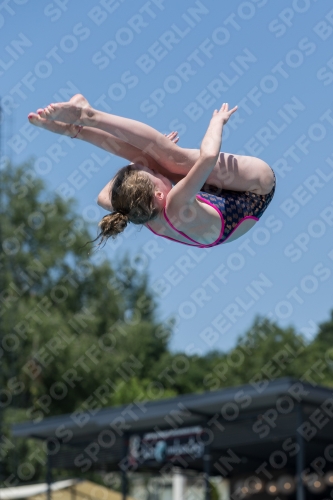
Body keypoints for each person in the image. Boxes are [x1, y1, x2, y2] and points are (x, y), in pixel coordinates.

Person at [28, 94, 275, 248]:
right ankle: (88, 118)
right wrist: (216, 122)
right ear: (158, 195)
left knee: (157, 161)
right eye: (155, 178)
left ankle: (77, 130)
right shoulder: (176, 203)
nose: (158, 173)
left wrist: (145, 166)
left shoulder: (138, 212)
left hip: (220, 202)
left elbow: (106, 196)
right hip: (255, 191)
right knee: (172, 158)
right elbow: (208, 156)